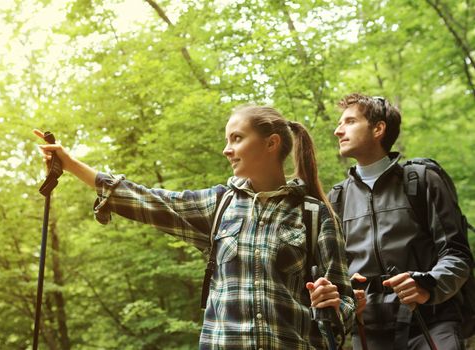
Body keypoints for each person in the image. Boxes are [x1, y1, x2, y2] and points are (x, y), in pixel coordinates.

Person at [35, 105, 355, 349]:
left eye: (237, 139)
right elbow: (149, 200)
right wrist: (70, 163)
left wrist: (332, 302)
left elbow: (345, 308)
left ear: (271, 144)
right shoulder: (219, 205)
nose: (226, 149)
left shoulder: (315, 215)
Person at [329, 93, 473, 349]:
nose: (338, 131)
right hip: (367, 331)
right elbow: (334, 272)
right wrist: (346, 300)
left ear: (378, 129)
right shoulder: (337, 198)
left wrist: (427, 285)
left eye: (349, 121)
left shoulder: (422, 180)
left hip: (432, 322)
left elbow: (457, 254)